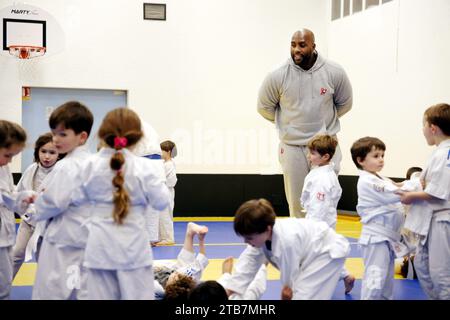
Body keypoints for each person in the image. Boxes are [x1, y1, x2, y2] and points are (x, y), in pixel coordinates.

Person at [62, 108, 170, 300]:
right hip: (134, 250)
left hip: (98, 248)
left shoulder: (89, 165)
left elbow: (75, 200)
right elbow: (162, 202)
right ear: (138, 137)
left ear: (103, 133)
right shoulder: (144, 168)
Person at [257, 28, 353, 218]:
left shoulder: (334, 71)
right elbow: (264, 108)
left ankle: (323, 246)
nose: (296, 49)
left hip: (326, 147)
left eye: (302, 45)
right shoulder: (277, 74)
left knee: (325, 202)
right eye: (293, 45)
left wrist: (324, 127)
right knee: (298, 205)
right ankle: (301, 247)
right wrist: (288, 126)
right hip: (292, 148)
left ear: (313, 46)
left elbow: (345, 104)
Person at [26, 101, 94, 300]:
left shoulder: (67, 166)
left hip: (62, 241)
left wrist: (33, 204)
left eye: (63, 134)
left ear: (82, 137)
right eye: (54, 133)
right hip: (84, 239)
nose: (55, 139)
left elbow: (52, 203)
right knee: (79, 290)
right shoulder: (92, 162)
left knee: (51, 291)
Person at [223, 199, 350, 300]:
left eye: (249, 238)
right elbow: (248, 263)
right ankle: (346, 276)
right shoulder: (262, 235)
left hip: (326, 253)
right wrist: (229, 291)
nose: (246, 242)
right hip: (310, 251)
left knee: (305, 296)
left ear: (267, 229)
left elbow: (290, 280)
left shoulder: (286, 241)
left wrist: (287, 291)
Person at [397, 103, 450, 300]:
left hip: (442, 219)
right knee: (421, 265)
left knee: (441, 274)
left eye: (423, 125)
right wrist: (400, 186)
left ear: (433, 128)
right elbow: (425, 184)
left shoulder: (446, 154)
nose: (423, 130)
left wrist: (411, 196)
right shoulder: (438, 153)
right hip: (431, 220)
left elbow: (439, 191)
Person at [351, 137, 407, 300]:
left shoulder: (380, 178)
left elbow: (398, 185)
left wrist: (417, 181)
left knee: (386, 282)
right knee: (375, 280)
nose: (381, 159)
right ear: (360, 160)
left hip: (388, 238)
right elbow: (395, 192)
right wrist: (418, 185)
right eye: (376, 156)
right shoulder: (367, 181)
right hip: (376, 239)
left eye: (382, 155)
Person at [300, 134, 355, 294]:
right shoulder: (322, 172)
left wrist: (313, 227)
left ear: (325, 157)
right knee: (326, 252)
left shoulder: (323, 179)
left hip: (319, 222)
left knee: (314, 253)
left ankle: (314, 285)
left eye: (313, 154)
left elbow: (320, 206)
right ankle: (345, 275)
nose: (309, 156)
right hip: (323, 220)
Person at [12, 133, 61, 279]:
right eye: (43, 151)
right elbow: (18, 192)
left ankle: (46, 293)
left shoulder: (61, 172)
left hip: (49, 225)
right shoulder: (32, 169)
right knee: (17, 253)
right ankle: (3, 288)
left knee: (44, 261)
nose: (47, 156)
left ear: (59, 154)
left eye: (52, 152)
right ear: (37, 152)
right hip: (29, 221)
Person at [0, 120, 27, 300]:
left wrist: (24, 198)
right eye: (8, 155)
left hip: (5, 235)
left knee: (5, 284)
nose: (10, 160)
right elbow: (5, 196)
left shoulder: (4, 167)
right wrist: (19, 198)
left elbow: (9, 194)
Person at [153, 222, 209, 299]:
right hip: (175, 272)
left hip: (153, 268)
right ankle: (190, 234)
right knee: (185, 268)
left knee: (182, 268)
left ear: (170, 287)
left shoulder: (157, 289)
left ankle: (190, 234)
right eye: (177, 275)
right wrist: (201, 240)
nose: (176, 274)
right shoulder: (185, 277)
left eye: (175, 277)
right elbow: (201, 260)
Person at [155, 140, 177, 245]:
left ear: (168, 152)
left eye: (162, 151)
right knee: (160, 215)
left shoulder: (169, 164)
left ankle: (168, 238)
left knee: (165, 216)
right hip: (162, 192)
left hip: (166, 192)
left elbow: (169, 180)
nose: (160, 153)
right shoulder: (164, 164)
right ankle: (161, 237)